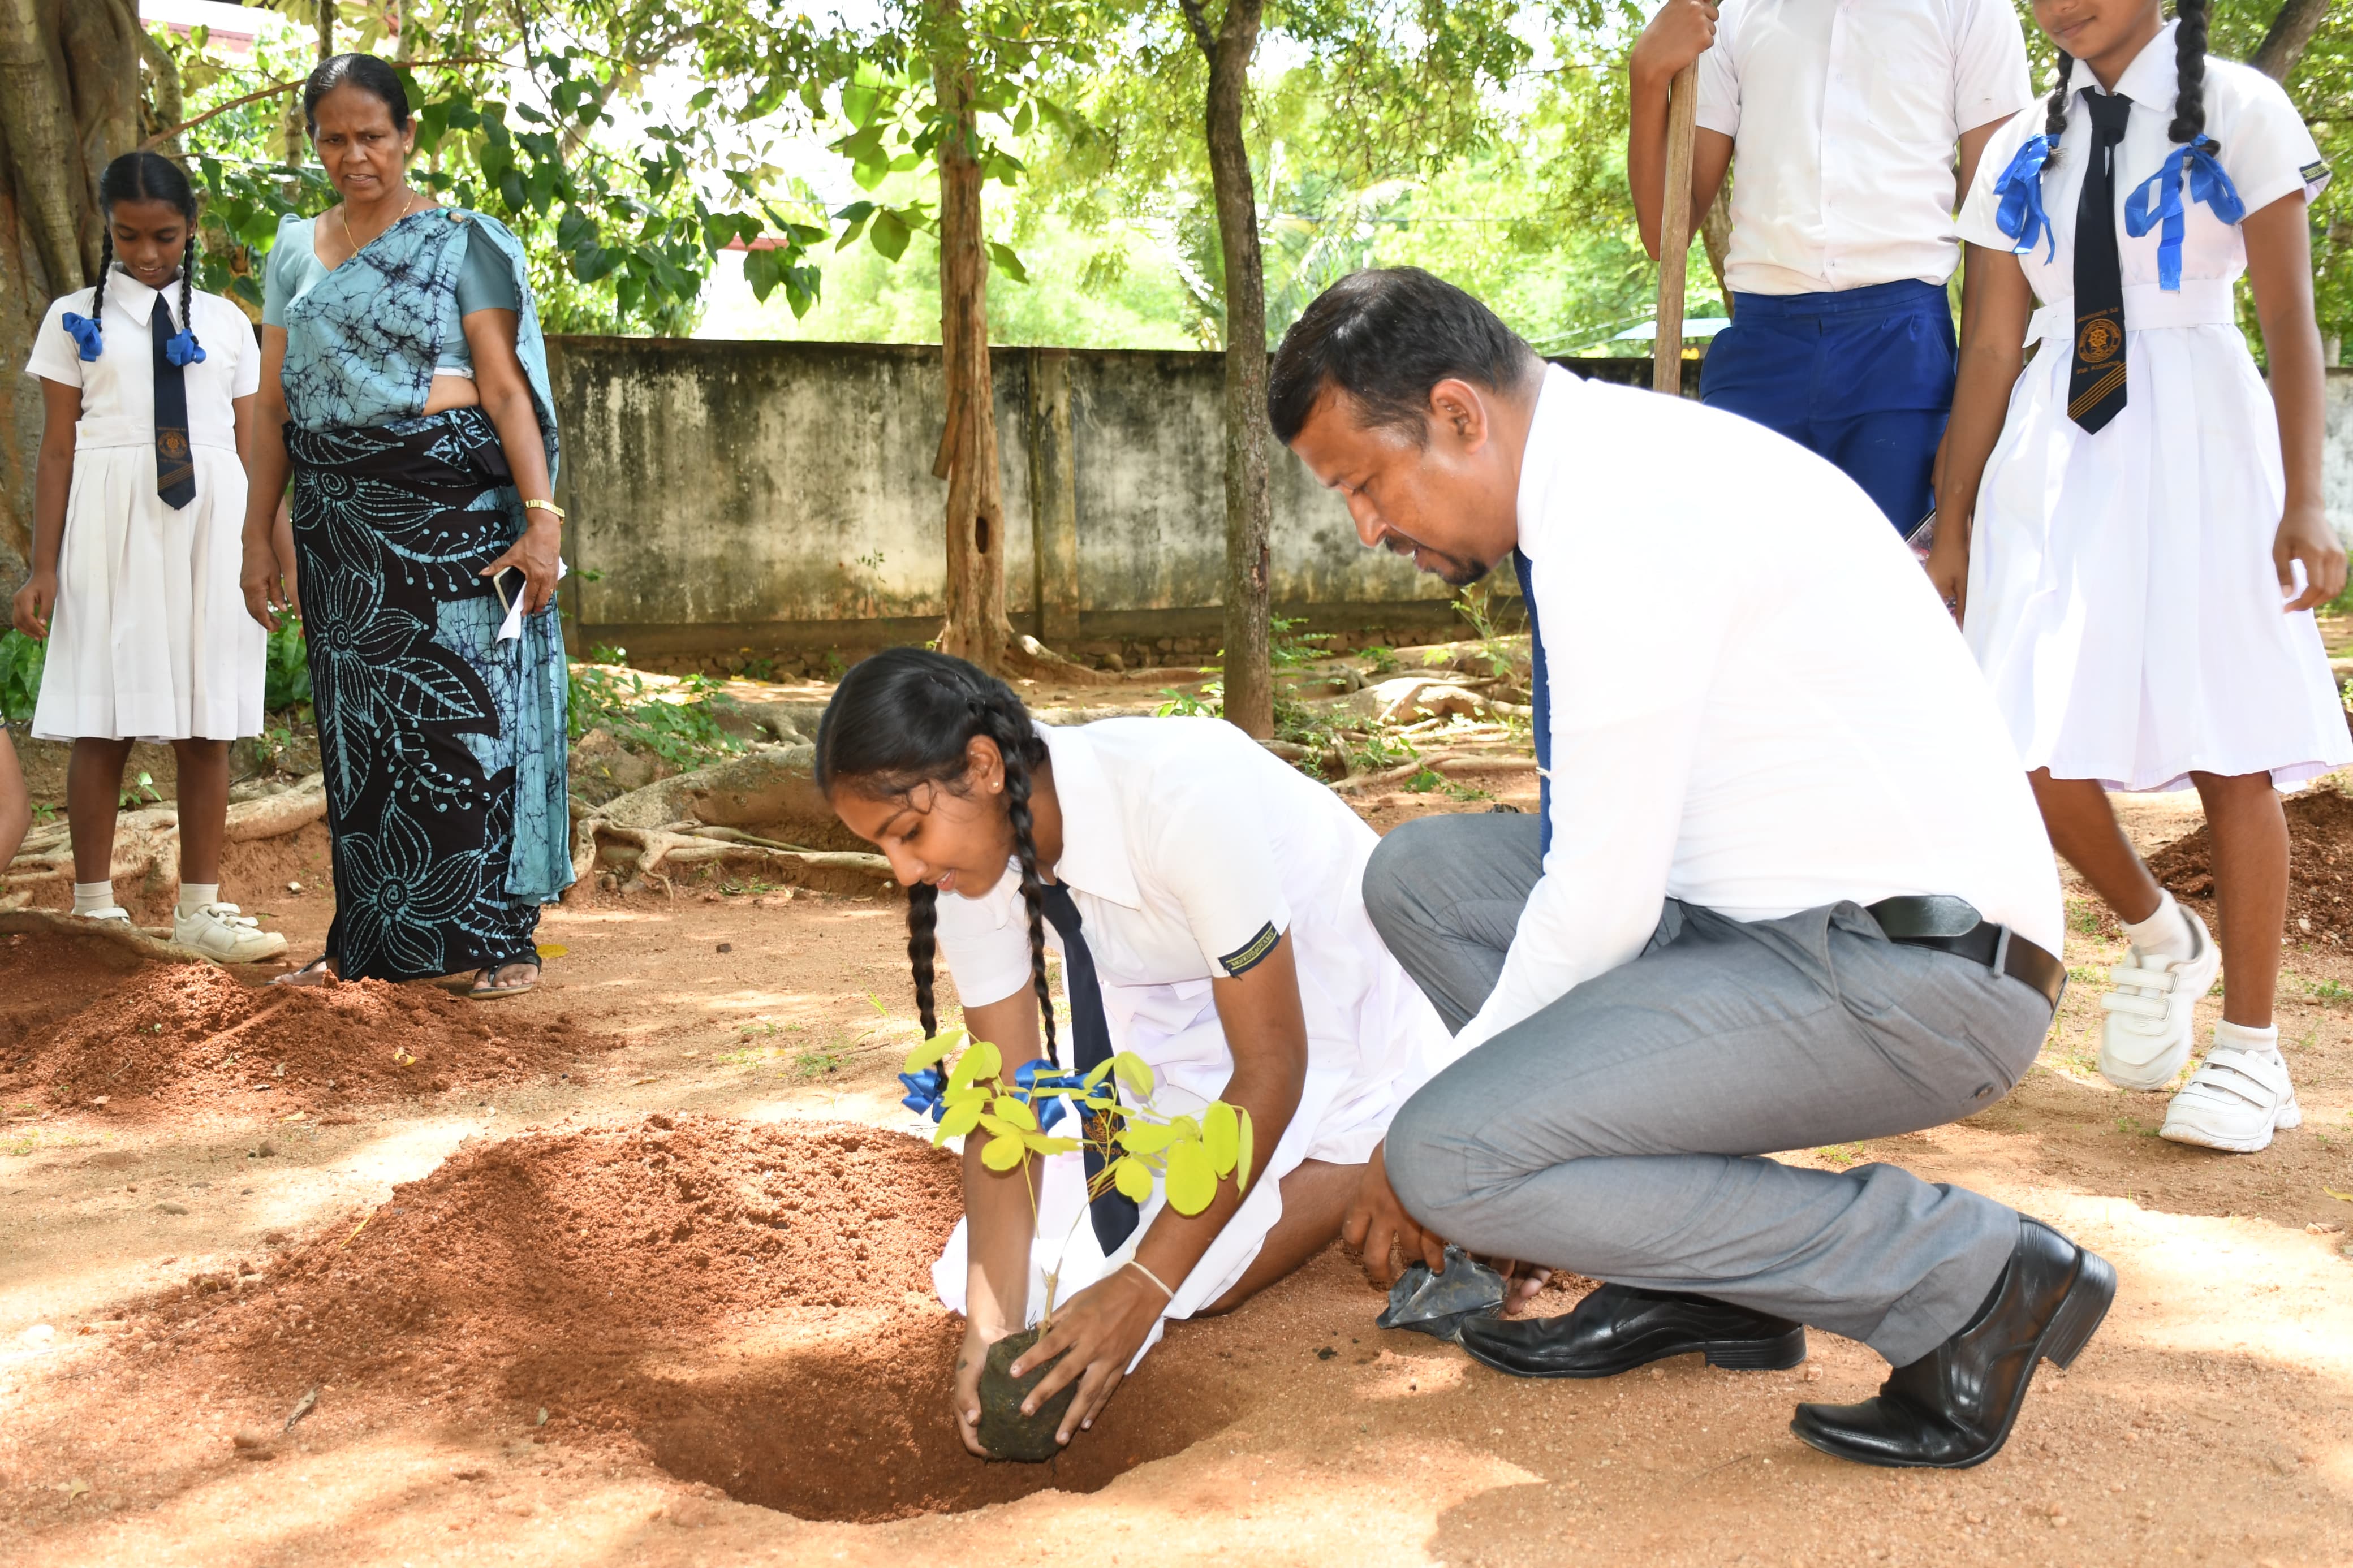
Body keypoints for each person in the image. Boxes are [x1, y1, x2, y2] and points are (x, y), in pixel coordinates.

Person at [1270, 266, 2109, 1471]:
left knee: (1453, 1153)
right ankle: (1710, 1281)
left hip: (1915, 978)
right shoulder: (1601, 477)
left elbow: (1597, 905)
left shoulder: (1628, 510)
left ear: (1459, 414)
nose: (1364, 525)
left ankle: (1963, 1271)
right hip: (1781, 932)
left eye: (1363, 482)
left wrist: (1406, 1141)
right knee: (1426, 879)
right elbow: (1601, 868)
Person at [816, 647, 1466, 1456]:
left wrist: (1142, 1288)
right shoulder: (971, 868)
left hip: (1346, 1013)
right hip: (1185, 1026)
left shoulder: (1181, 798)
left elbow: (1273, 1064)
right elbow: (1007, 1100)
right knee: (1032, 1266)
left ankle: (1400, 1134)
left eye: (908, 833)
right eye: (885, 848)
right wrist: (991, 1325)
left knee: (1196, 1275)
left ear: (983, 767)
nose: (906, 869)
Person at [1930, 0, 2347, 1153]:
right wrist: (1954, 521)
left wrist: (2306, 499)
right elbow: (1988, 346)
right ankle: (2163, 933)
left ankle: (2254, 1053)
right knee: (2016, 738)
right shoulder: (2018, 145)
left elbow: (2288, 323)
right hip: (2053, 453)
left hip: (2204, 445)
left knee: (2229, 743)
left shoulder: (2244, 113)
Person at [240, 53, 571, 996]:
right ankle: (366, 941)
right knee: (363, 733)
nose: (355, 156)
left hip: (456, 517)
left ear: (408, 136)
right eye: (334, 138)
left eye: (373, 136)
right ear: (313, 141)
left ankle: (499, 941)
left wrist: (541, 519)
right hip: (338, 524)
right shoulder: (295, 250)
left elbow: (505, 389)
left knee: (473, 720)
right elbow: (272, 408)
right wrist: (259, 533)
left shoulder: (461, 242)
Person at [11, 151, 285, 962]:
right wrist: (45, 566)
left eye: (164, 236)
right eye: (128, 237)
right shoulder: (71, 319)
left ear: (191, 227)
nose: (146, 254)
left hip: (213, 523)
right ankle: (94, 910)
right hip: (110, 524)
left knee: (210, 720)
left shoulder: (230, 322)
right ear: (108, 229)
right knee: (106, 718)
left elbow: (254, 442)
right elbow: (57, 450)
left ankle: (199, 909)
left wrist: (273, 544)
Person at [1628, 0, 2034, 532]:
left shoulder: (1969, 8)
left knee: (1890, 592)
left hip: (1903, 355)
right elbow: (1666, 235)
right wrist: (1648, 74)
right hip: (1760, 352)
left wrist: (1972, 422)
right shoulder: (1731, 13)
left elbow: (1998, 230)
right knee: (1750, 595)